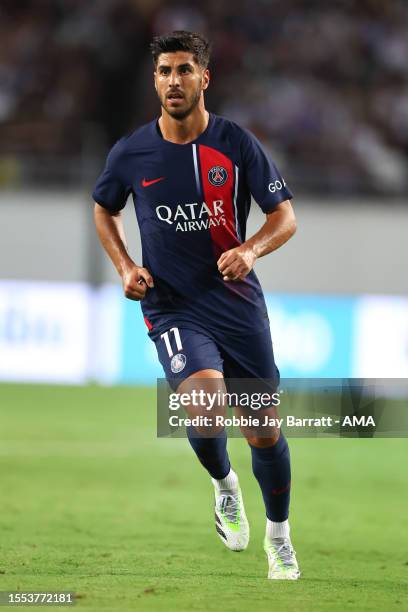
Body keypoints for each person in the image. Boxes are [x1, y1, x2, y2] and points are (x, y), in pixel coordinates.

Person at [92, 30, 299, 580]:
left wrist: (250, 249)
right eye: (164, 71)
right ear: (154, 79)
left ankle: (279, 536)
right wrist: (125, 266)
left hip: (236, 306)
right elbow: (103, 208)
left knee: (263, 429)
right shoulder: (132, 151)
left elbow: (285, 216)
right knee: (205, 405)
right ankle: (224, 486)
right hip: (173, 306)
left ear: (204, 78)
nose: (173, 80)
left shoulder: (235, 144)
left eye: (184, 70)